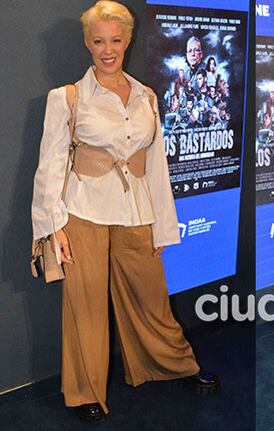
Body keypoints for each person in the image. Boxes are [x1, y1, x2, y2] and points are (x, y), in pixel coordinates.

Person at [30, 1, 219, 425]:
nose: (107, 49)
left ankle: (171, 365)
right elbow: (50, 167)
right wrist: (52, 228)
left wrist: (162, 228)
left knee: (152, 299)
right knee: (86, 306)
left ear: (128, 41)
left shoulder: (146, 96)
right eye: (99, 41)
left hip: (137, 211)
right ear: (87, 44)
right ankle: (84, 392)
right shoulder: (66, 98)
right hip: (82, 213)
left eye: (115, 40)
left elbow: (157, 167)